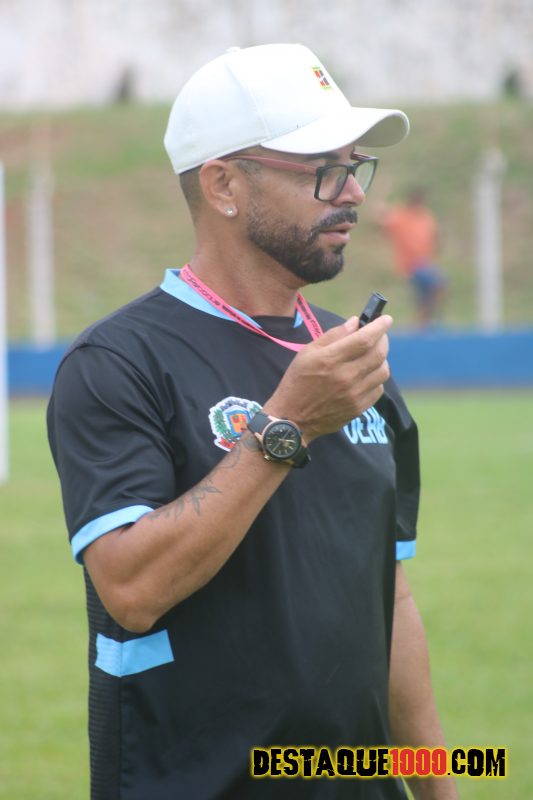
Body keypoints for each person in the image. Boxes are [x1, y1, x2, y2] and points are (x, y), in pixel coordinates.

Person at [47, 44, 457, 800]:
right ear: (225, 186)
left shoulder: (352, 356)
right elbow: (131, 589)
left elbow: (391, 599)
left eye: (355, 167)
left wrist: (439, 787)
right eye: (321, 170)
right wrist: (287, 424)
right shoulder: (118, 362)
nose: (352, 194)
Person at [379, 188, 448, 327]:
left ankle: (425, 323)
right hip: (411, 265)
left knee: (427, 295)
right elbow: (383, 219)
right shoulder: (401, 215)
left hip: (425, 263)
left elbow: (434, 236)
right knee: (436, 286)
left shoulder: (425, 216)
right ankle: (422, 323)